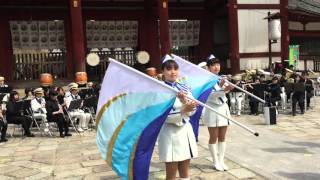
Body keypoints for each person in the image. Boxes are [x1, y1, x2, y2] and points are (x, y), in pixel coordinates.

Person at [158, 55, 198, 180]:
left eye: (175, 68)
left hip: (185, 131)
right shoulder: (159, 90)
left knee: (185, 170)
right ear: (163, 71)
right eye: (169, 69)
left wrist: (186, 103)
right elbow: (162, 116)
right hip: (170, 132)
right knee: (171, 172)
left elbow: (193, 109)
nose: (173, 71)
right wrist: (183, 110)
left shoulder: (184, 88)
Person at [203, 55, 233, 171]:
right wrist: (222, 89)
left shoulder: (222, 78)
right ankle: (215, 161)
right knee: (213, 137)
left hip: (223, 108)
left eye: (218, 64)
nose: (216, 67)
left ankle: (221, 160)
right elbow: (209, 96)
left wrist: (228, 88)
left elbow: (224, 93)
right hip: (212, 109)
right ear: (209, 67)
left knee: (222, 137)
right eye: (213, 65)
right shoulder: (206, 80)